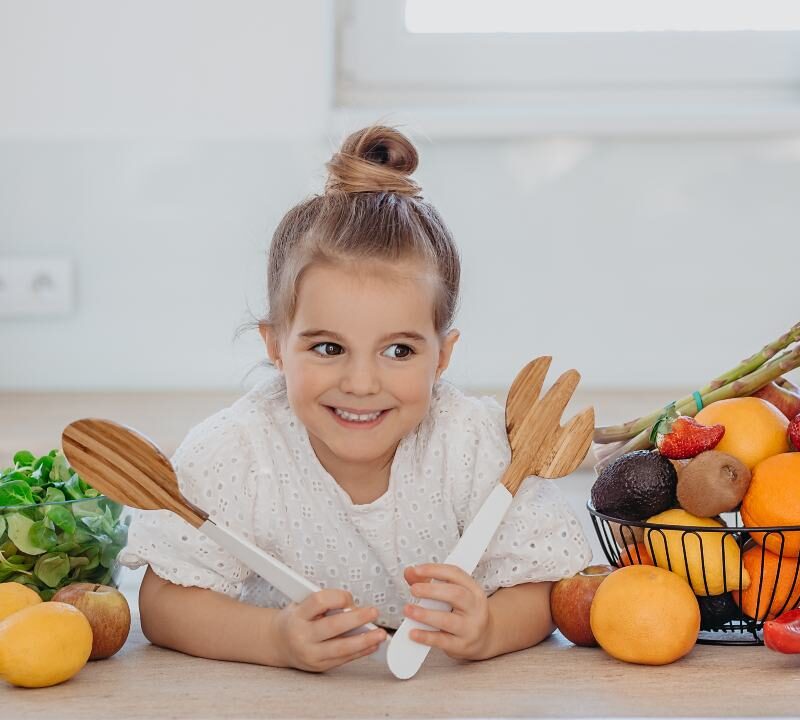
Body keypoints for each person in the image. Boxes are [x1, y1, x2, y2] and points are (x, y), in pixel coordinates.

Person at [119, 125, 592, 673]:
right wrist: (273, 639)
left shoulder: (473, 444)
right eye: (328, 348)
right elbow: (164, 603)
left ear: (442, 356)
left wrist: (490, 628)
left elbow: (542, 585)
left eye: (398, 351)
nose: (362, 383)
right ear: (275, 346)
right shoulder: (236, 452)